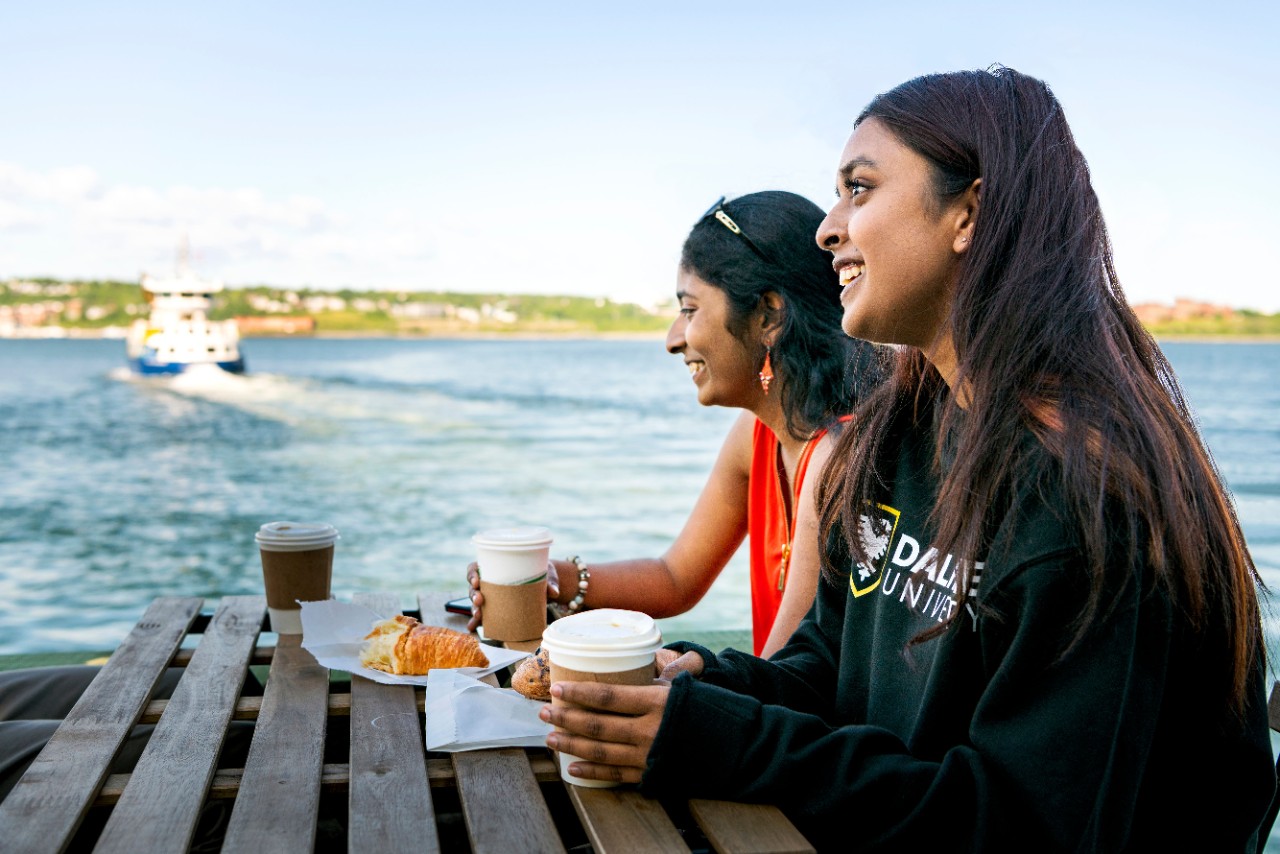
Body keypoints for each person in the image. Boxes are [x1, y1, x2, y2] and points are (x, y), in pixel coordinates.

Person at [538, 67, 1275, 851]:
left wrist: (731, 741)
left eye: (859, 188)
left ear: (969, 213)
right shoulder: (898, 433)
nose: (828, 228)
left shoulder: (1087, 497)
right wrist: (706, 687)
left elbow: (1023, 824)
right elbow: (829, 665)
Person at [468, 191, 878, 656]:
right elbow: (676, 578)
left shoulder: (844, 453)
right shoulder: (757, 435)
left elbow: (782, 674)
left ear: (769, 315)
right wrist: (551, 579)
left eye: (688, 309)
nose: (672, 340)